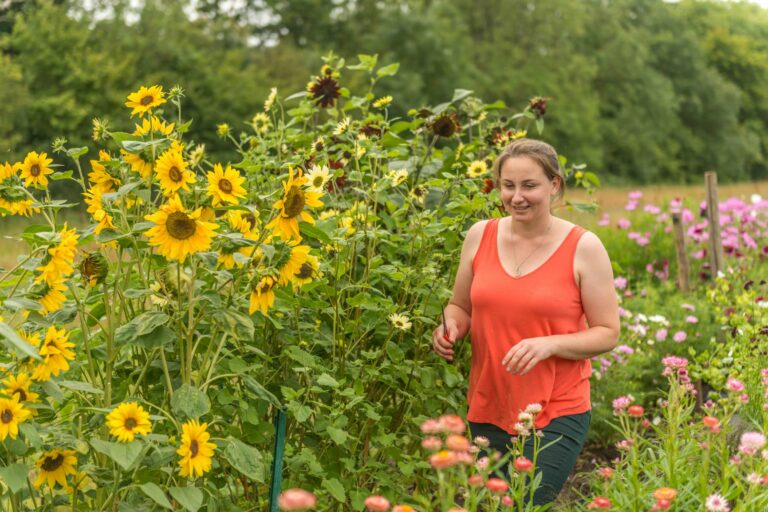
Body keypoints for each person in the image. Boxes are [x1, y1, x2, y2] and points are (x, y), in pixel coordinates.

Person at [432, 138, 620, 505]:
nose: (517, 197)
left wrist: (549, 344)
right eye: (508, 185)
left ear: (554, 185)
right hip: (489, 403)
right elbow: (460, 306)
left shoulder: (584, 247)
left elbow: (608, 332)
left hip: (556, 408)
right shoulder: (480, 236)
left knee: (528, 503)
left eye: (529, 185)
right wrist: (450, 327)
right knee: (493, 505)